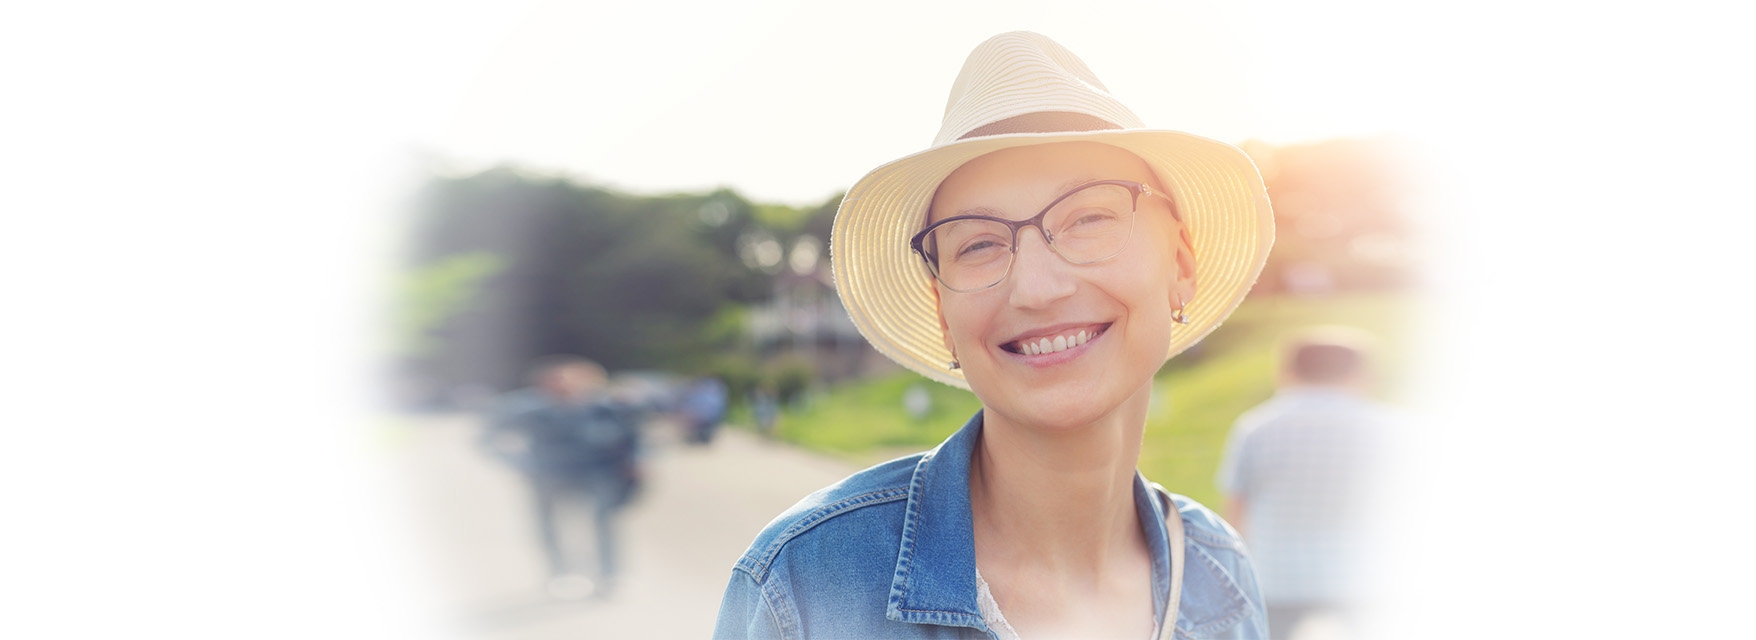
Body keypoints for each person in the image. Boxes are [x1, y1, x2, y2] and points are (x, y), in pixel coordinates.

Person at [715, 31, 1275, 639]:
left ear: (1180, 267)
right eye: (978, 243)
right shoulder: (803, 587)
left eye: (1089, 217)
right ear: (941, 311)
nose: (1035, 287)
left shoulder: (1223, 579)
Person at [1216, 329, 1389, 640]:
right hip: (1364, 578)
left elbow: (1236, 514)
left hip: (1276, 577)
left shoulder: (1255, 428)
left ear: (1288, 371)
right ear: (1359, 373)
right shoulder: (1392, 429)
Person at [483, 355, 647, 599]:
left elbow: (632, 437)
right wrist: (520, 464)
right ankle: (561, 575)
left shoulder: (606, 408)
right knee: (550, 527)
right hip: (548, 474)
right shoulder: (529, 410)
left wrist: (634, 463)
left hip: (597, 473)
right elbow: (488, 439)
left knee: (603, 525)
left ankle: (610, 575)